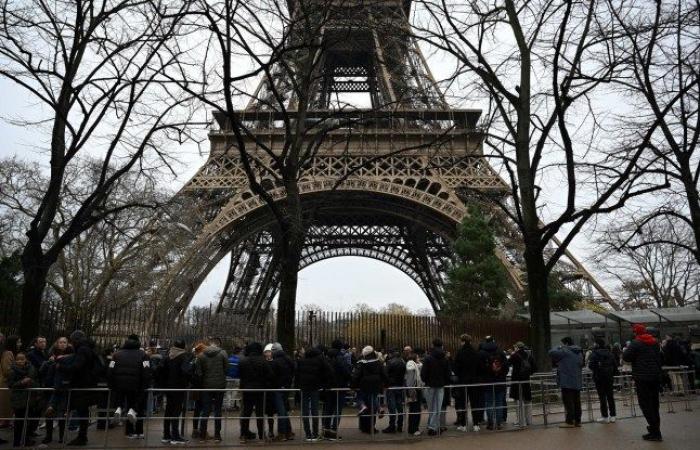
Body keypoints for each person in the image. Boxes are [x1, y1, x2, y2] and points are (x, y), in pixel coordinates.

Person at [58, 329, 99, 446]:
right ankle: (82, 435)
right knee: (82, 411)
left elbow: (77, 366)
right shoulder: (88, 348)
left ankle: (82, 436)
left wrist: (62, 367)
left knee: (81, 411)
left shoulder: (82, 349)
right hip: (87, 383)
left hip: (82, 384)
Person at [623, 324, 664, 441]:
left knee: (645, 404)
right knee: (654, 404)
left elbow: (626, 357)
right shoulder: (655, 342)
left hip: (642, 377)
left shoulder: (636, 343)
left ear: (636, 332)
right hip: (655, 376)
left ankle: (655, 431)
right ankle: (655, 429)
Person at [108, 334, 151, 439]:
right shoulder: (143, 355)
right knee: (138, 406)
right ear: (138, 343)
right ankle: (138, 428)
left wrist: (111, 384)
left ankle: (119, 409)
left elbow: (110, 369)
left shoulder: (116, 355)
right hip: (136, 385)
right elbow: (146, 371)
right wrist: (146, 384)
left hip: (120, 384)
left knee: (123, 402)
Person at [238, 342, 274, 443]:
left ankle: (243, 435)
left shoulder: (243, 361)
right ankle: (261, 436)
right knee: (260, 414)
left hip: (247, 390)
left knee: (246, 413)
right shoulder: (263, 361)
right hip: (260, 390)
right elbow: (270, 375)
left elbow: (240, 375)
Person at [158, 339, 192, 445]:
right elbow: (186, 371)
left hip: (168, 387)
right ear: (183, 347)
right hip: (179, 388)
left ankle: (166, 435)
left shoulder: (168, 356)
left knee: (168, 411)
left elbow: (160, 370)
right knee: (176, 412)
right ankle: (175, 436)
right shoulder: (183, 357)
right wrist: (187, 381)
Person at [296, 346, 332, 441]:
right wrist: (324, 384)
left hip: (303, 387)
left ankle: (307, 434)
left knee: (305, 411)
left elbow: (297, 375)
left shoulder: (301, 361)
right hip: (315, 387)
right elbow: (329, 372)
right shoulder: (320, 361)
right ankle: (315, 433)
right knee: (315, 411)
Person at [40, 336, 72, 445]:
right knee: (49, 413)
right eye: (60, 342)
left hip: (63, 388)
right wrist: (49, 363)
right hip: (51, 386)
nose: (62, 344)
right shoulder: (51, 355)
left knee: (62, 413)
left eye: (64, 342)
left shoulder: (72, 355)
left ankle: (62, 436)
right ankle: (48, 436)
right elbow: (42, 371)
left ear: (67, 344)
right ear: (57, 344)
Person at [196, 338, 228, 443]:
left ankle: (202, 435)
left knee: (205, 410)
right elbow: (226, 369)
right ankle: (217, 435)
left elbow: (199, 373)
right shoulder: (223, 354)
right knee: (218, 410)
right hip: (220, 385)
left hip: (206, 386)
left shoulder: (201, 356)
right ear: (218, 345)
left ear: (209, 345)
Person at [549, 336, 584, 428]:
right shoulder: (579, 352)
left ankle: (569, 421)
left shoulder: (565, 351)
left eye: (562, 344)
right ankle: (578, 420)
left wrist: (559, 347)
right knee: (577, 401)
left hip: (566, 380)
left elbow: (551, 352)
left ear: (566, 344)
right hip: (577, 380)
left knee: (568, 402)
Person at [352, 345, 388, 435]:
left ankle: (364, 423)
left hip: (364, 385)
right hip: (376, 385)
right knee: (373, 404)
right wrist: (386, 384)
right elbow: (384, 374)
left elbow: (356, 375)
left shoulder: (361, 363)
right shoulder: (378, 362)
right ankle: (372, 426)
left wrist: (352, 386)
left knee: (360, 400)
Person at [8, 352, 39, 447]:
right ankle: (17, 441)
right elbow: (11, 384)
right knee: (19, 421)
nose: (20, 361)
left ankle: (26, 440)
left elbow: (35, 381)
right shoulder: (12, 371)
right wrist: (22, 382)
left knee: (28, 421)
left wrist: (30, 382)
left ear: (26, 359)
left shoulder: (31, 369)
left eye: (22, 359)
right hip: (18, 399)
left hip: (29, 398)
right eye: (18, 359)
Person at [420, 339, 450, 436]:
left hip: (429, 385)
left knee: (431, 407)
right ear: (441, 346)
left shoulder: (428, 358)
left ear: (432, 345)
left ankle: (432, 427)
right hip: (440, 385)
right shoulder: (444, 358)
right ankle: (433, 426)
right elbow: (447, 373)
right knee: (438, 407)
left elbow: (423, 374)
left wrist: (426, 380)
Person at [454, 334, 483, 431]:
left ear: (462, 341)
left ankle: (463, 425)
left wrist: (460, 375)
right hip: (474, 381)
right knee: (475, 403)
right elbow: (480, 368)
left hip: (463, 381)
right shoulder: (476, 352)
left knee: (463, 403)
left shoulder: (459, 352)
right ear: (470, 341)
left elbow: (455, 368)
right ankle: (476, 424)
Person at [479, 336, 509, 430]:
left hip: (487, 382)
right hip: (500, 381)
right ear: (493, 341)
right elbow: (506, 367)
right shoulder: (500, 352)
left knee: (489, 403)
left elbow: (479, 368)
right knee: (499, 402)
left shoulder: (481, 353)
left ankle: (490, 423)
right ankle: (499, 423)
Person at [323, 340, 350, 440]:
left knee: (328, 409)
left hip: (329, 387)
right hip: (340, 386)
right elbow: (346, 372)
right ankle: (334, 432)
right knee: (338, 410)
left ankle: (326, 431)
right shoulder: (340, 357)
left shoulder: (326, 357)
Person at [588, 338, 618, 424]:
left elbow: (591, 366)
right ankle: (613, 416)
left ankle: (605, 417)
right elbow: (615, 366)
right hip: (609, 378)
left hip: (599, 378)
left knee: (602, 397)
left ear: (597, 344)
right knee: (610, 396)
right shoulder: (610, 353)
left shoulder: (594, 354)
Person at [270, 342, 295, 441]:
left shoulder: (275, 361)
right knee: (284, 409)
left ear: (274, 351)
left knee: (281, 411)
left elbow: (272, 375)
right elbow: (293, 369)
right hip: (287, 387)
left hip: (278, 387)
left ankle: (282, 433)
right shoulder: (288, 358)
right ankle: (288, 432)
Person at [509, 342, 536, 427]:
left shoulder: (515, 355)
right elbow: (535, 368)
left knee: (518, 401)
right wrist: (527, 373)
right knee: (527, 400)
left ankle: (521, 421)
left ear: (517, 347)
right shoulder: (529, 355)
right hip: (526, 381)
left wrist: (512, 354)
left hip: (517, 381)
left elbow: (507, 364)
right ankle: (529, 421)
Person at [0, 335, 21, 433]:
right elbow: (7, 370)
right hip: (6, 383)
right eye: (18, 342)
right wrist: (19, 371)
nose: (20, 344)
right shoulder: (8, 353)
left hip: (7, 383)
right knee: (6, 406)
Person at [383, 348, 406, 434]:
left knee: (392, 407)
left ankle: (392, 426)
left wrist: (386, 384)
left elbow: (385, 374)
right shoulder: (403, 362)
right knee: (399, 406)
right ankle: (400, 425)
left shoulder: (390, 362)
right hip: (400, 386)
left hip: (392, 387)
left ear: (391, 353)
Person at [404, 350, 423, 436]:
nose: (419, 359)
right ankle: (414, 429)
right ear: (414, 358)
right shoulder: (411, 365)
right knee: (415, 410)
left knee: (414, 409)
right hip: (414, 390)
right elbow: (410, 380)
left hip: (414, 389)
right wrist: (412, 391)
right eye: (418, 357)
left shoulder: (414, 365)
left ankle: (413, 428)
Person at [226, 346, 241, 411]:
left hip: (228, 378)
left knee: (228, 392)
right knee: (235, 392)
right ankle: (232, 405)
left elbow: (226, 369)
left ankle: (228, 405)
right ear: (239, 352)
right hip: (237, 378)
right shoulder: (239, 361)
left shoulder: (228, 360)